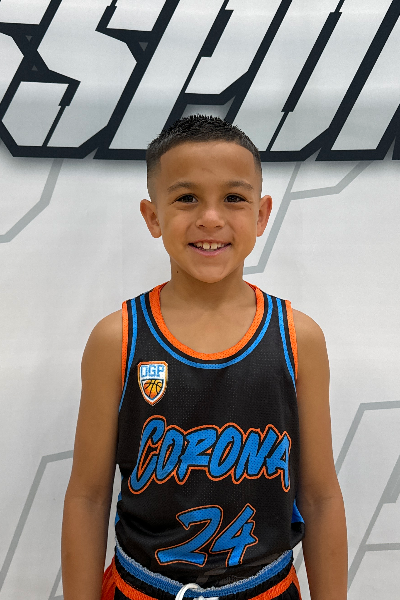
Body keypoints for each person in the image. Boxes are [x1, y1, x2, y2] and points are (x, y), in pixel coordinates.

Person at [61, 115, 347, 600]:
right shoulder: (118, 339)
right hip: (141, 588)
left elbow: (319, 498)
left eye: (234, 198)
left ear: (262, 214)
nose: (210, 218)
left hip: (268, 589)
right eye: (186, 198)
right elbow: (88, 498)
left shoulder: (299, 338)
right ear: (153, 216)